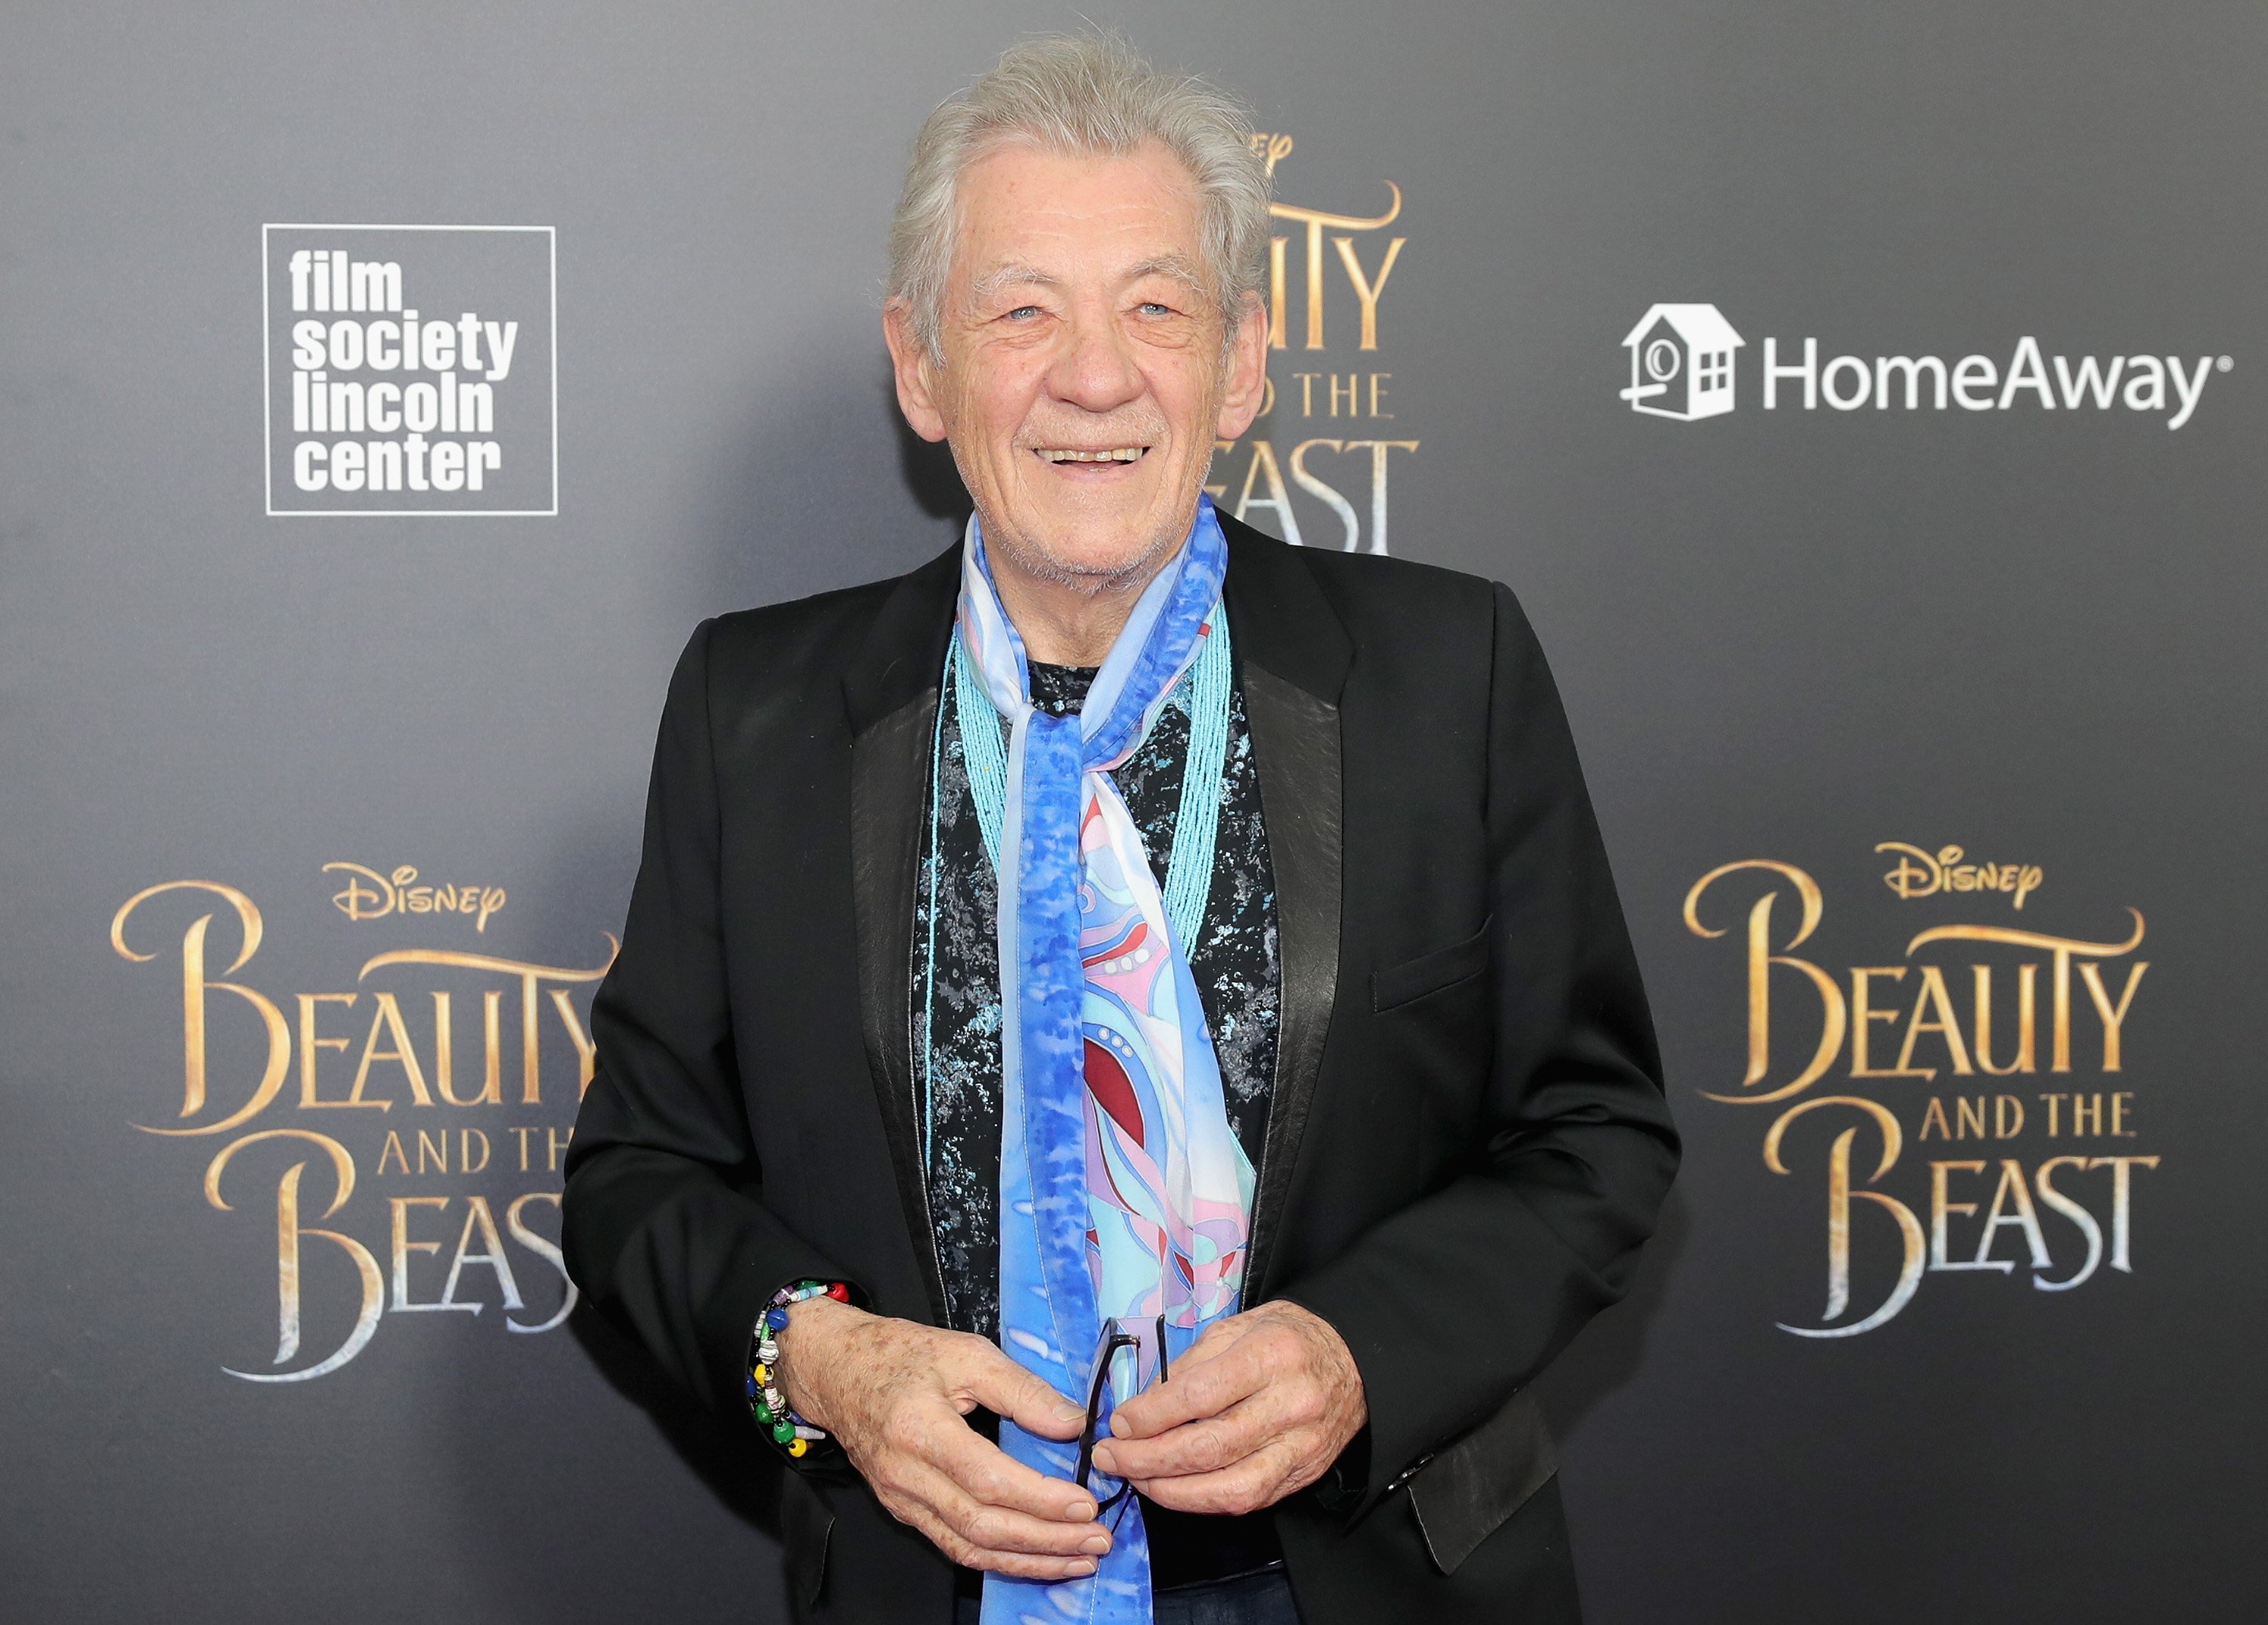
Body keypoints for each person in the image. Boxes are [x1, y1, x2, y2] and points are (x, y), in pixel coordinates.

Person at [562, 33, 1677, 1625]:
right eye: (1022, 312)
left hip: (1362, 1583)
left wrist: (1360, 1350)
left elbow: (1596, 1136)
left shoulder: (1449, 673)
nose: (1096, 376)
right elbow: (633, 1180)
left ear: (1241, 363)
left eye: (1155, 307)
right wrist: (826, 1358)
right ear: (921, 364)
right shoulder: (757, 713)